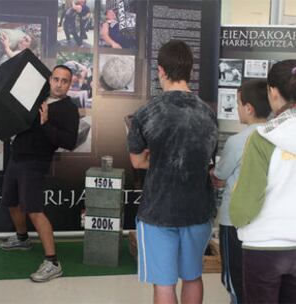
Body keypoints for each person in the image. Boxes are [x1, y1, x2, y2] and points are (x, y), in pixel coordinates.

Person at [127, 40, 218, 304]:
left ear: (161, 70)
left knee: (164, 285)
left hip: (158, 211)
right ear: (190, 71)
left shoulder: (146, 113)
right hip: (198, 210)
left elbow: (136, 162)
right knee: (192, 277)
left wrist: (156, 157)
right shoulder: (208, 114)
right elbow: (206, 160)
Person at [0, 65, 79, 282]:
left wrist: (46, 124)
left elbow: (70, 142)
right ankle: (22, 238)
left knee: (34, 210)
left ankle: (53, 263)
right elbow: (14, 120)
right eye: (56, 79)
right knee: (12, 202)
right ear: (50, 79)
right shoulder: (37, 98)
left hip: (36, 162)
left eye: (64, 81)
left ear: (69, 84)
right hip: (16, 157)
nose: (59, 84)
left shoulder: (69, 109)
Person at [230, 60, 296, 304]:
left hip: (263, 246)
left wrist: (237, 220)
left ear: (272, 92)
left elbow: (245, 203)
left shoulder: (263, 137)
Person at [210, 80, 271, 304]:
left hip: (233, 221)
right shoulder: (276, 138)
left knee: (235, 281)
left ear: (249, 108)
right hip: (263, 222)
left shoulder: (237, 141)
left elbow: (221, 174)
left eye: (238, 103)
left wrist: (216, 177)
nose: (236, 108)